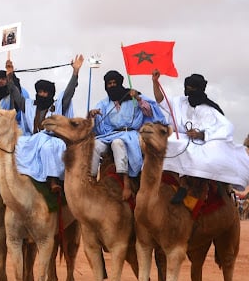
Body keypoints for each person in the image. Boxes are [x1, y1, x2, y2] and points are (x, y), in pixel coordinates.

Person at [152, 70, 249, 196]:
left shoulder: (210, 109)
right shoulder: (180, 102)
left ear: (199, 89)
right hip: (182, 136)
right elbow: (161, 100)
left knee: (209, 153)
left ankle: (199, 184)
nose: (188, 91)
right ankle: (177, 182)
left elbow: (225, 128)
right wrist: (155, 82)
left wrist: (201, 134)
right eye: (187, 88)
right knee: (168, 142)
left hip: (203, 140)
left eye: (192, 88)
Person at [88, 70, 166, 200]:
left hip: (129, 134)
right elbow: (96, 123)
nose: (112, 86)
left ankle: (126, 182)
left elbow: (150, 112)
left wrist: (138, 98)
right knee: (95, 144)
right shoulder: (104, 103)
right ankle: (91, 179)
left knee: (117, 143)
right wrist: (92, 114)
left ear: (120, 83)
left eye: (115, 83)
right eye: (109, 84)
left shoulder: (133, 96)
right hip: (109, 134)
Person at [15, 55, 84, 192]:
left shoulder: (58, 105)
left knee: (48, 147)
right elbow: (16, 96)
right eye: (39, 92)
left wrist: (75, 72)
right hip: (34, 139)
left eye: (45, 92)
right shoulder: (30, 106)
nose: (41, 94)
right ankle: (24, 176)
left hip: (53, 139)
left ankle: (53, 180)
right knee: (18, 143)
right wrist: (10, 77)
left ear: (50, 94)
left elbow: (69, 92)